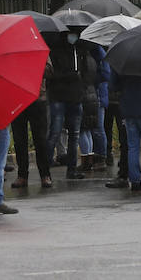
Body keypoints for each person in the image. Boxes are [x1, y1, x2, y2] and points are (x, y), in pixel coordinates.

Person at [47, 31, 93, 180]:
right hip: (58, 97)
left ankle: (71, 169)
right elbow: (53, 75)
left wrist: (82, 85)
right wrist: (72, 76)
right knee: (54, 132)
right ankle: (45, 169)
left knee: (74, 135)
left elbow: (86, 72)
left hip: (75, 97)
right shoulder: (55, 51)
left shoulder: (80, 51)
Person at [9, 59, 53, 190]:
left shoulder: (37, 47)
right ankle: (22, 175)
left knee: (40, 140)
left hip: (37, 98)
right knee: (19, 140)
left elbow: (49, 71)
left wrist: (32, 64)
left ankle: (45, 175)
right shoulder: (10, 50)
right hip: (17, 98)